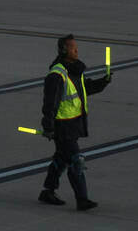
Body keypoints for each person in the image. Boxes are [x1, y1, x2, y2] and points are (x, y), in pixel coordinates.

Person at [38, 34, 111, 211]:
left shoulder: (74, 71)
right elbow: (50, 104)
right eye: (72, 47)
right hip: (62, 126)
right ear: (64, 50)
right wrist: (48, 127)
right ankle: (82, 199)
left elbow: (85, 89)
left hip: (73, 124)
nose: (76, 50)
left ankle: (48, 191)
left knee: (62, 158)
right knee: (76, 160)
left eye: (76, 47)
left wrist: (103, 82)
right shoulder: (57, 75)